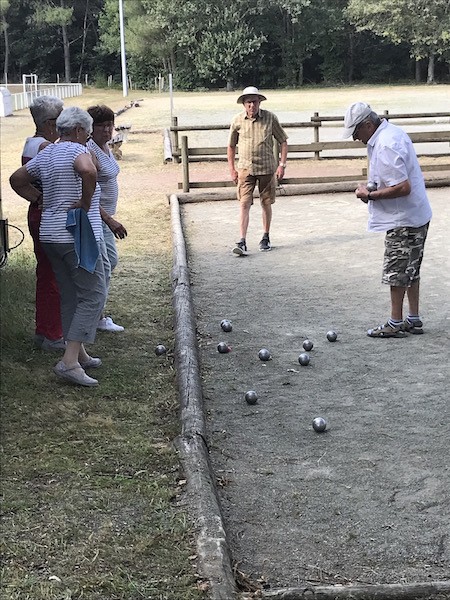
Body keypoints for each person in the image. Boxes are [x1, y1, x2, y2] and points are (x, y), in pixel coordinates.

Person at [10, 106, 107, 386]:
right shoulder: (78, 152)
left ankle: (79, 353)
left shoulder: (48, 152)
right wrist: (85, 204)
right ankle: (69, 362)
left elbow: (17, 179)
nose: (89, 137)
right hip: (75, 234)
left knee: (69, 295)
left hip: (50, 234)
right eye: (87, 132)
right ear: (78, 131)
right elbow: (89, 171)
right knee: (93, 294)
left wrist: (38, 199)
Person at [343, 101, 432, 338]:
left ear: (368, 125)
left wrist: (369, 195)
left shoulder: (386, 145)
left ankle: (395, 322)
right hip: (415, 213)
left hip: (403, 218)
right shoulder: (390, 134)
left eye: (355, 132)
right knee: (411, 268)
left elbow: (403, 187)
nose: (354, 138)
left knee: (397, 271)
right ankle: (413, 318)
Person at [22, 95, 65, 351]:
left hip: (36, 213)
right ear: (51, 123)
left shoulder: (30, 143)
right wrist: (43, 198)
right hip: (47, 215)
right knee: (54, 276)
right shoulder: (47, 148)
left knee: (45, 273)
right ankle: (53, 333)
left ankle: (44, 329)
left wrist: (35, 197)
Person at [227, 86, 288, 255]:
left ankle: (265, 236)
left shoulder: (270, 118)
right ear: (244, 104)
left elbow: (283, 140)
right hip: (245, 169)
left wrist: (282, 164)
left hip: (267, 168)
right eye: (248, 103)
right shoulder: (237, 121)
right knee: (244, 203)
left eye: (254, 102)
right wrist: (231, 168)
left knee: (266, 203)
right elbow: (231, 146)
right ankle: (242, 240)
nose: (251, 106)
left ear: (259, 102)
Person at [87, 104, 127, 333]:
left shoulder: (106, 147)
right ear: (90, 128)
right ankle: (97, 316)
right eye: (101, 126)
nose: (107, 130)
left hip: (106, 215)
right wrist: (109, 220)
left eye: (110, 125)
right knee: (104, 263)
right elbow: (89, 192)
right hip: (97, 217)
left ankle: (97, 313)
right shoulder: (90, 150)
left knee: (109, 262)